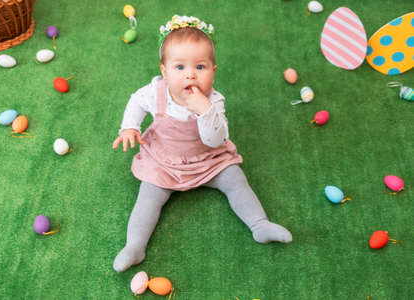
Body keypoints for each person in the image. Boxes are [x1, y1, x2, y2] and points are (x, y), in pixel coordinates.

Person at [112, 15, 292, 272]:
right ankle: (135, 246)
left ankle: (259, 224)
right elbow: (137, 101)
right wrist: (130, 126)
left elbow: (216, 139)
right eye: (180, 67)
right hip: (165, 161)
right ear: (164, 71)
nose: (190, 76)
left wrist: (204, 111)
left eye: (200, 67)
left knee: (236, 180)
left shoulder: (214, 101)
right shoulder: (157, 91)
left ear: (213, 71)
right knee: (148, 198)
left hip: (209, 160)